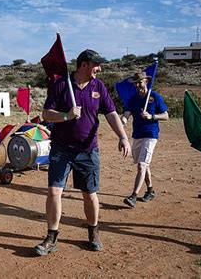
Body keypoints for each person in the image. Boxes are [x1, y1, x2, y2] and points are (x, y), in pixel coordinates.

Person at [34, 49, 131, 256]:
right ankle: (51, 237)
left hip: (88, 150)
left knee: (90, 194)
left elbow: (111, 113)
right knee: (54, 192)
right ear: (84, 65)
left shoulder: (99, 86)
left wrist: (123, 137)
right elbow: (45, 113)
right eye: (96, 64)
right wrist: (66, 115)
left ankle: (93, 232)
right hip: (61, 149)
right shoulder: (61, 85)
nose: (100, 68)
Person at [121, 71, 169, 208]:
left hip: (151, 134)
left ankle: (133, 196)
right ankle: (150, 190)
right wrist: (123, 120)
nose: (137, 85)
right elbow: (127, 113)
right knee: (143, 164)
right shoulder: (133, 99)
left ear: (146, 81)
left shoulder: (154, 97)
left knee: (142, 165)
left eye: (139, 82)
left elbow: (166, 115)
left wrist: (152, 117)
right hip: (137, 135)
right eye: (135, 83)